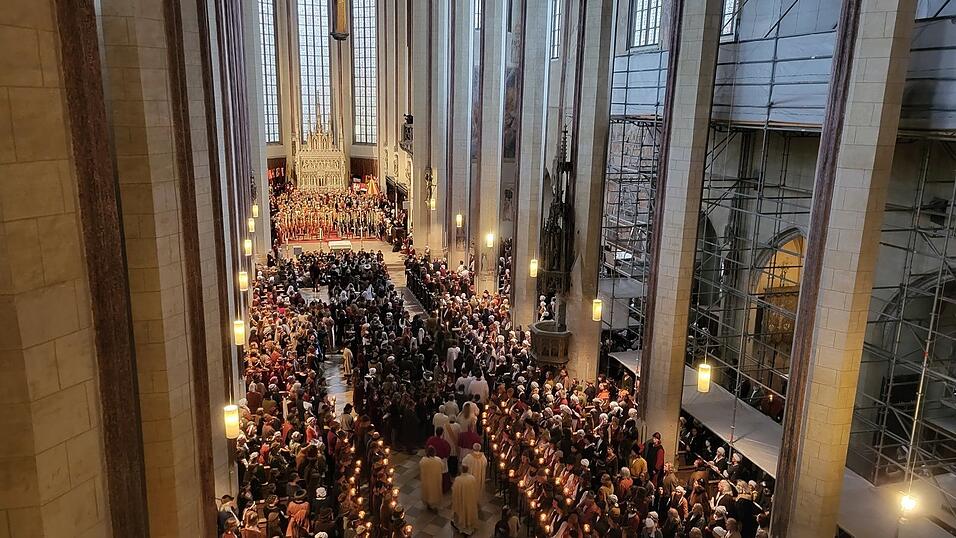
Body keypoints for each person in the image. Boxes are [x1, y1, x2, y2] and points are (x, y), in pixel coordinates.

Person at [452, 463, 480, 535]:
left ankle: (462, 526)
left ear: (461, 470)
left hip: (461, 501)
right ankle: (469, 526)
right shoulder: (472, 478)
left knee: (462, 513)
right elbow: (475, 489)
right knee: (469, 513)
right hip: (470, 501)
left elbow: (454, 491)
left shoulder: (458, 479)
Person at [419, 445, 444, 510]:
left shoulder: (423, 460)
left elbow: (420, 466)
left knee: (427, 492)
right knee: (434, 493)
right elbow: (442, 468)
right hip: (435, 481)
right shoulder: (438, 460)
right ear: (434, 453)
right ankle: (434, 506)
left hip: (426, 480)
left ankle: (428, 504)